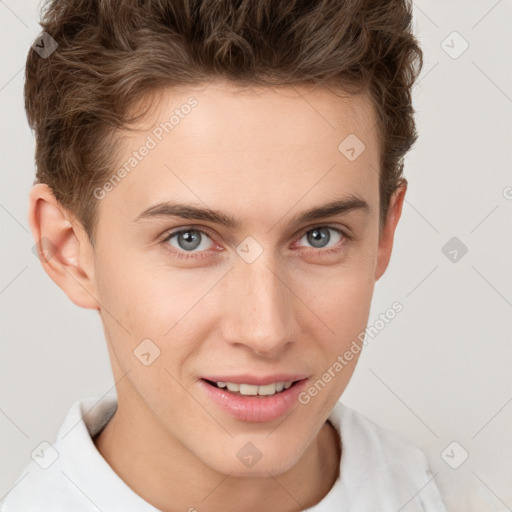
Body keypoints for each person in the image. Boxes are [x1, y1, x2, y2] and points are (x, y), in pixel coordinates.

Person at [0, 0, 448, 510]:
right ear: (68, 249)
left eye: (321, 235)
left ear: (385, 234)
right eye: (189, 238)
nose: (266, 331)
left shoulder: (460, 492)